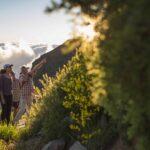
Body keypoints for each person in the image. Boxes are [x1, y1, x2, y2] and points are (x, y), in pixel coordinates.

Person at [12, 58, 46, 125]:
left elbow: (35, 68)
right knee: (22, 109)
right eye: (25, 70)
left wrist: (41, 63)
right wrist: (28, 73)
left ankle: (27, 122)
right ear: (23, 71)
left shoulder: (30, 76)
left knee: (29, 110)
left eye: (27, 69)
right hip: (24, 96)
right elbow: (23, 81)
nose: (27, 71)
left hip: (29, 96)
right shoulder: (21, 76)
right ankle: (14, 122)